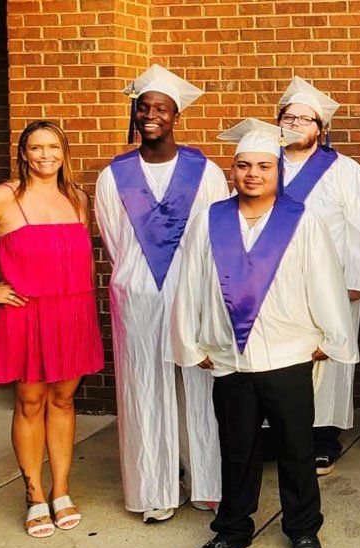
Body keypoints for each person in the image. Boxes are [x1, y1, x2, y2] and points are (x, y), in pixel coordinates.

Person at [173, 119, 356, 548]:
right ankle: (232, 530)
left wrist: (328, 337)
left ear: (277, 172)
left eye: (263, 166)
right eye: (243, 165)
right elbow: (190, 283)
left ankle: (303, 528)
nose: (252, 174)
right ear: (232, 171)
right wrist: (190, 342)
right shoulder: (210, 219)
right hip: (230, 358)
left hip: (288, 352)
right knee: (237, 450)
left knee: (296, 448)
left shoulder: (302, 220)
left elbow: (324, 281)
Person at [0, 120, 103, 538]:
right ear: (23, 153)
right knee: (31, 401)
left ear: (64, 152)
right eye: (36, 148)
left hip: (73, 310)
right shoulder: (4, 197)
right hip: (26, 312)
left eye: (53, 147)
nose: (45, 155)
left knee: (64, 400)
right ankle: (33, 493)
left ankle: (61, 489)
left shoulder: (78, 198)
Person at [95, 64, 228, 523]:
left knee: (199, 382)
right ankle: (154, 487)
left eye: (162, 109)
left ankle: (208, 481)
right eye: (144, 108)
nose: (151, 115)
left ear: (176, 116)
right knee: (144, 386)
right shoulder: (114, 175)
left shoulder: (206, 170)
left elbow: (215, 236)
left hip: (193, 292)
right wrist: (139, 278)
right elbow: (115, 239)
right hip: (137, 295)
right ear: (135, 114)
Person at [276, 76, 360, 475]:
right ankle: (283, 435)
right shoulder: (263, 164)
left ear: (321, 130)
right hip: (274, 288)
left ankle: (323, 438)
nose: (296, 125)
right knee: (282, 360)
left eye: (305, 119)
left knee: (327, 361)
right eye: (289, 117)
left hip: (331, 286)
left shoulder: (344, 171)